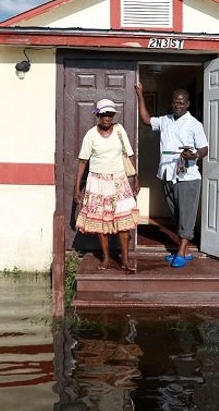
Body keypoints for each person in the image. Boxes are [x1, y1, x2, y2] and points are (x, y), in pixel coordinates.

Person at [135, 84, 208, 268]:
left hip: (187, 176)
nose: (178, 105)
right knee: (176, 214)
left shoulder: (194, 124)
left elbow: (204, 148)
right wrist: (140, 94)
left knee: (187, 214)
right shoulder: (165, 120)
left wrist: (195, 155)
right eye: (175, 102)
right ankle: (184, 250)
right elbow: (145, 119)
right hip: (167, 172)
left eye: (182, 103)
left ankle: (182, 251)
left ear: (188, 104)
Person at [75, 99, 140, 273]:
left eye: (110, 114)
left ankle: (125, 259)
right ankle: (106, 258)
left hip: (119, 180)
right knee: (101, 224)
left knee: (123, 222)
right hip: (97, 183)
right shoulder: (91, 135)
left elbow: (130, 153)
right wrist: (76, 188)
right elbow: (83, 161)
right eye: (104, 114)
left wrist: (135, 179)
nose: (107, 118)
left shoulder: (119, 131)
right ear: (98, 115)